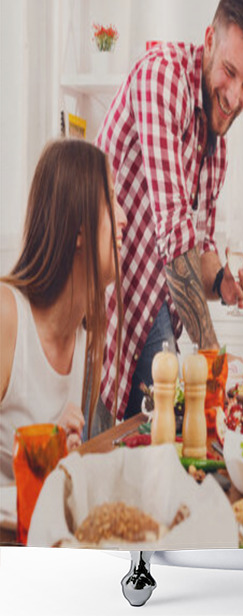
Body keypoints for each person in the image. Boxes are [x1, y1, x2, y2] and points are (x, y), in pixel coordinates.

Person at [95, 0, 243, 426]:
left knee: (159, 455)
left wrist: (222, 281)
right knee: (97, 451)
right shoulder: (162, 79)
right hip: (107, 302)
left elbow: (199, 250)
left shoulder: (218, 147)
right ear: (208, 41)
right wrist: (214, 365)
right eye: (228, 72)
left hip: (156, 308)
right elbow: (174, 240)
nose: (233, 97)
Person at [0, 140, 126, 484]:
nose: (124, 217)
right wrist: (39, 453)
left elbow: (54, 481)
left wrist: (64, 459)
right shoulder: (7, 317)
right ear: (79, 228)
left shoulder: (88, 341)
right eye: (111, 199)